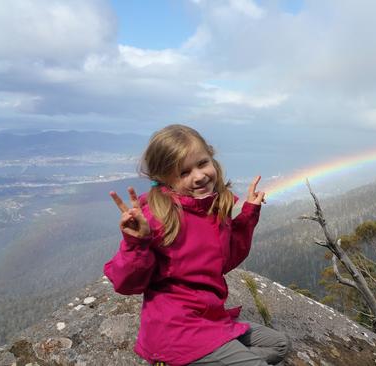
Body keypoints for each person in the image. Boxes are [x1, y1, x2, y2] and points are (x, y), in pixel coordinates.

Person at [104, 124, 290, 366]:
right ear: (165, 180)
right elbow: (127, 283)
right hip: (177, 332)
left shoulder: (211, 209)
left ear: (212, 158)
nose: (199, 176)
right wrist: (136, 243)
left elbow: (225, 260)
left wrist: (248, 215)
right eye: (184, 173)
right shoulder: (157, 217)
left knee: (279, 345)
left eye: (202, 163)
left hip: (210, 319)